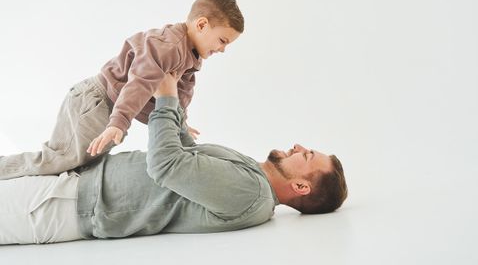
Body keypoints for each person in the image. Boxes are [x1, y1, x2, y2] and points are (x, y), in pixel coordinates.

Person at [0, 73, 348, 245]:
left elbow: (165, 165)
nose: (299, 146)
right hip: (78, 184)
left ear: (301, 186)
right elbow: (185, 158)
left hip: (64, 205)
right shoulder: (251, 175)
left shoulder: (251, 193)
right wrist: (176, 110)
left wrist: (166, 98)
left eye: (307, 155)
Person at [0, 0, 244, 180]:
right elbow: (139, 82)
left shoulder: (191, 55)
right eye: (222, 41)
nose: (222, 49)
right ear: (201, 25)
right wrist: (119, 122)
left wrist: (180, 121)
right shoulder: (168, 46)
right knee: (56, 161)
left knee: (78, 167)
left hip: (112, 110)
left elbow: (180, 92)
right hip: (97, 101)